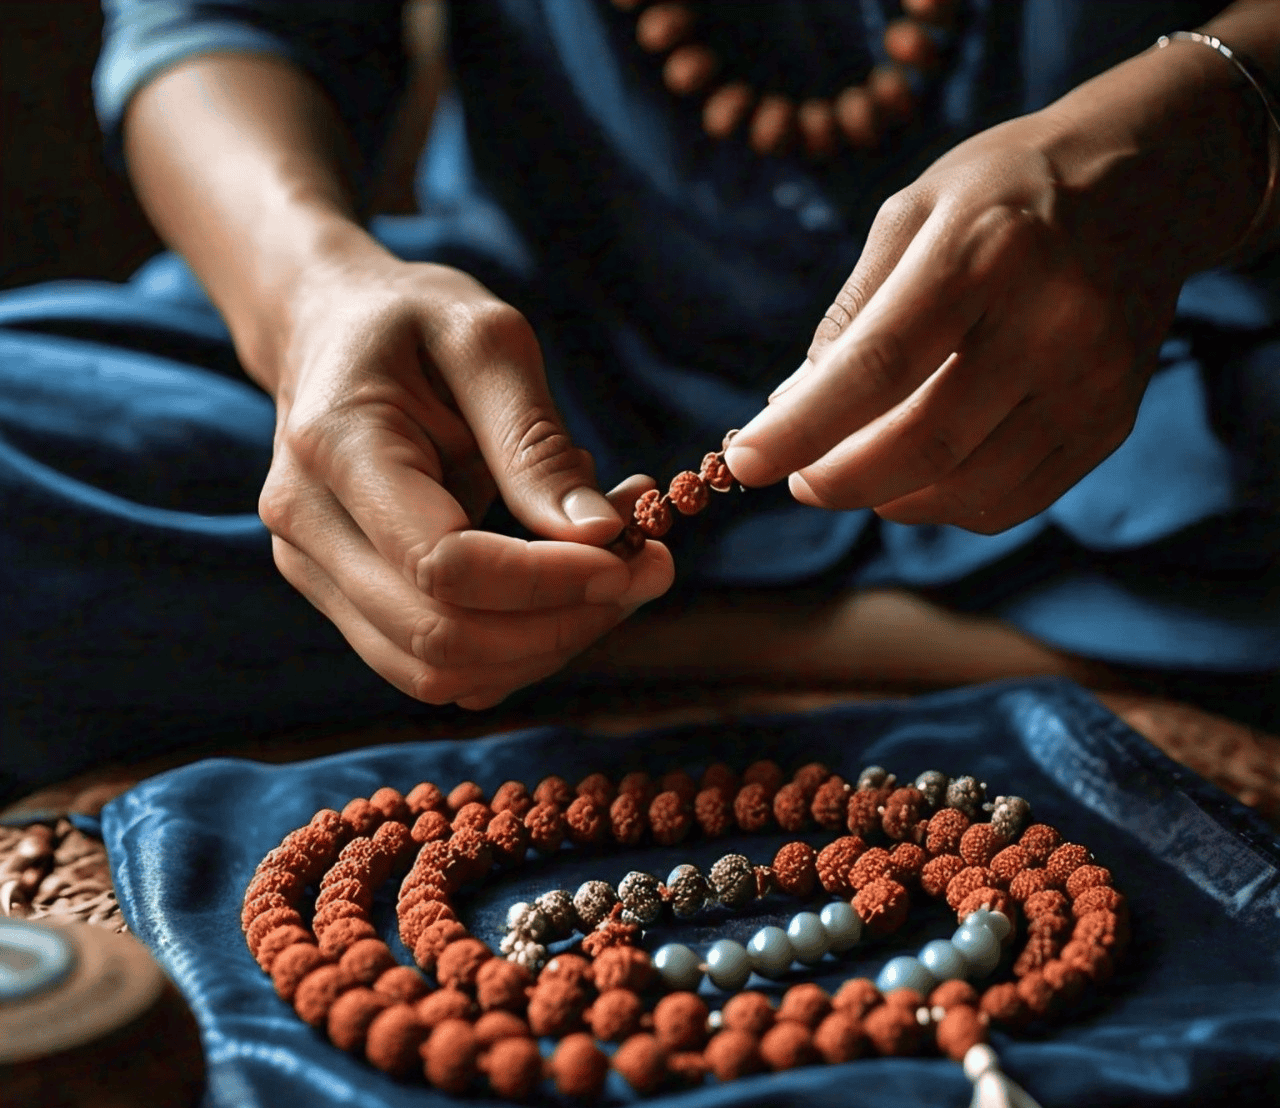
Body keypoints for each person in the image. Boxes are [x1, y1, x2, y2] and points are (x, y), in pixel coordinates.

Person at [2, 0, 1279, 802]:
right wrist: (312, 294)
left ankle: (627, 631)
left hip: (1147, 380)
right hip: (536, 364)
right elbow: (219, 27)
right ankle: (899, 634)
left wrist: (1208, 127)